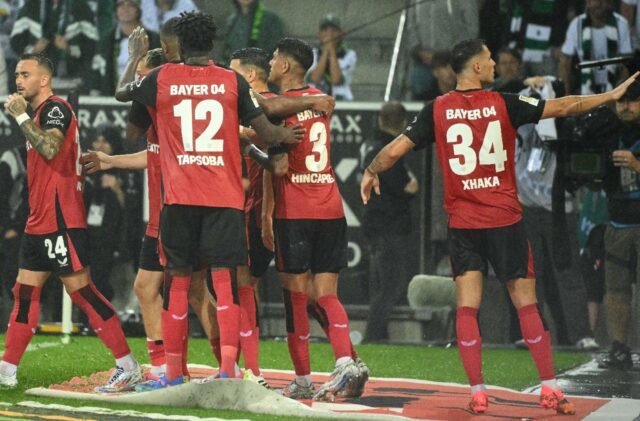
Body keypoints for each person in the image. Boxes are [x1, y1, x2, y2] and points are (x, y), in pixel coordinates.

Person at [360, 38, 640, 415]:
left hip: (464, 225)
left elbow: (395, 148)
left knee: (467, 309)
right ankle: (550, 389)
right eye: (489, 59)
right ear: (476, 67)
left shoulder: (436, 109)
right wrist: (611, 96)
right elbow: (564, 106)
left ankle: (477, 392)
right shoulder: (504, 103)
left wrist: (371, 170)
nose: (494, 64)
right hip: (504, 220)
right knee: (526, 303)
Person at [115, 11, 304, 389]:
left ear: (180, 46)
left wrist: (134, 56)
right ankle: (228, 371)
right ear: (212, 43)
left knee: (179, 284)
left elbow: (122, 96)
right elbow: (265, 130)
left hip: (179, 199)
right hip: (223, 199)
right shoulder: (231, 79)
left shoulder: (161, 77)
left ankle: (171, 374)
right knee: (223, 283)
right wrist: (286, 137)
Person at [0, 53, 143, 391]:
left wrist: (20, 117)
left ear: (44, 79)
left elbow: (50, 148)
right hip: (40, 220)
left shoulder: (56, 108)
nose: (18, 80)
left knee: (82, 293)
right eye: (16, 74)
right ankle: (7, 370)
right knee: (24, 293)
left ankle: (128, 365)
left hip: (61, 219)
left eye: (25, 74)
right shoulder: (38, 113)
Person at [266, 37, 360, 401]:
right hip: (331, 207)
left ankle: (303, 378)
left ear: (286, 66)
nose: (272, 62)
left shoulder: (276, 106)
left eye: (275, 57)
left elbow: (264, 114)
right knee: (326, 295)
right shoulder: (321, 100)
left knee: (295, 297)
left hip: (296, 210)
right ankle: (344, 362)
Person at [512, 78, 598, 350]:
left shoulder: (567, 122)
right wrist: (531, 87)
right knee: (529, 275)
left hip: (558, 208)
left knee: (567, 270)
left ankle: (582, 333)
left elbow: (552, 131)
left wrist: (550, 94)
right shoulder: (524, 117)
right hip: (526, 206)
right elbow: (516, 101)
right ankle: (533, 332)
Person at [228, 46, 281, 387]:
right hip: (271, 208)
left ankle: (252, 370)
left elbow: (271, 162)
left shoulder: (258, 108)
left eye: (232, 71)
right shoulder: (277, 104)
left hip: (257, 208)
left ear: (249, 75)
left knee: (243, 286)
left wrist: (264, 214)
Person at [360, 101, 418, 342]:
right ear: (403, 123)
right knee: (391, 286)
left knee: (379, 284)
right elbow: (406, 187)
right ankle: (372, 337)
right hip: (390, 225)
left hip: (373, 222)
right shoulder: (389, 148)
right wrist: (412, 186)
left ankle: (379, 337)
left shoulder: (368, 145)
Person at [597, 86, 640, 369]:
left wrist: (637, 165)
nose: (625, 106)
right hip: (617, 221)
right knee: (616, 288)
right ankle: (619, 346)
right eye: (621, 101)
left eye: (632, 101)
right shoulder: (607, 132)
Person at [10, 0, 98, 90]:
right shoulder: (31, 6)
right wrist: (33, 50)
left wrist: (69, 49)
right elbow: (15, 41)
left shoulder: (81, 7)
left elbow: (92, 44)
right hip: (36, 82)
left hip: (73, 81)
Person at [84, 124, 126, 303]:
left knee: (102, 281)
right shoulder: (85, 169)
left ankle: (102, 321)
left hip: (110, 237)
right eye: (97, 140)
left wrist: (116, 188)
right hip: (86, 233)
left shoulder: (124, 169)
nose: (100, 145)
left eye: (105, 141)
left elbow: (133, 210)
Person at [560, 0, 632, 95]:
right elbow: (565, 62)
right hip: (584, 86)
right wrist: (566, 94)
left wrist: (621, 93)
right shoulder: (577, 24)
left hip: (614, 86)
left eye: (602, 1)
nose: (598, 4)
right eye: (595, 1)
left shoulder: (621, 24)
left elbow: (626, 64)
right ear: (588, 3)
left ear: (609, 3)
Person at [91, 0, 160, 95]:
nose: (125, 9)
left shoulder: (154, 39)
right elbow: (96, 74)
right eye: (121, 4)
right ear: (115, 10)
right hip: (111, 100)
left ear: (138, 9)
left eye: (130, 4)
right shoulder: (106, 41)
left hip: (144, 100)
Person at [507, 0, 571, 77]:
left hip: (548, 52)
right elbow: (513, 18)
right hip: (521, 50)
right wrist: (510, 46)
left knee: (548, 85)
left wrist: (562, 45)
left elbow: (567, 18)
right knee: (515, 85)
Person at [309, 14, 356, 101]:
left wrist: (331, 50)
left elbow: (336, 79)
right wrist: (326, 51)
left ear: (341, 34)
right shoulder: (312, 53)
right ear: (318, 34)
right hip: (315, 103)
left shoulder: (350, 54)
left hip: (341, 103)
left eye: (334, 30)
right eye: (325, 30)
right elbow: (315, 78)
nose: (329, 34)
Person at [222, 0, 284, 64]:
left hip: (258, 71)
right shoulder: (232, 21)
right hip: (233, 70)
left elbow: (275, 52)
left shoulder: (271, 20)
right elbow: (226, 52)